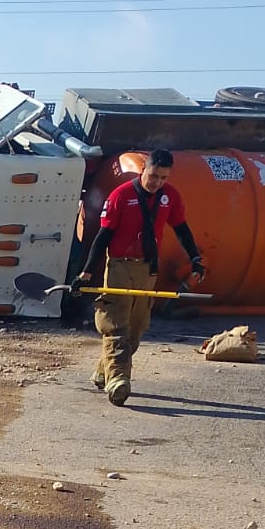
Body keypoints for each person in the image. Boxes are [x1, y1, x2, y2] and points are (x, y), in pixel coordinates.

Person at [75, 149, 205, 406]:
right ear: (144, 168)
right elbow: (103, 237)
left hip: (148, 268)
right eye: (154, 175)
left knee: (135, 330)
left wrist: (195, 259)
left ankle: (104, 372)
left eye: (163, 178)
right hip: (120, 266)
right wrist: (86, 272)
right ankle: (118, 382)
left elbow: (181, 229)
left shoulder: (170, 197)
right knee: (115, 326)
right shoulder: (120, 195)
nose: (157, 182)